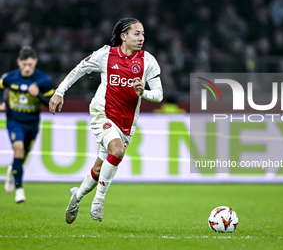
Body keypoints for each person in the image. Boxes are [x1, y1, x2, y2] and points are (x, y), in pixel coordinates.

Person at [49, 18, 163, 224]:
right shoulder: (106, 55)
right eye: (136, 34)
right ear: (123, 36)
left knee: (100, 169)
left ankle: (76, 198)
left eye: (143, 34)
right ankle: (98, 202)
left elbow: (159, 95)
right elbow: (79, 69)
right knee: (118, 151)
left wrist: (143, 92)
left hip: (127, 122)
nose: (141, 38)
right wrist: (59, 92)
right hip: (102, 113)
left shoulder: (148, 61)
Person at [0, 46, 54, 203]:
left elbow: (53, 104)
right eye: (24, 64)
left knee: (22, 156)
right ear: (19, 63)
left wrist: (38, 95)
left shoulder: (44, 80)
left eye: (30, 64)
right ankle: (19, 190)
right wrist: (2, 103)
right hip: (14, 121)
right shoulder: (10, 77)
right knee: (18, 148)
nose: (27, 68)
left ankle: (13, 171)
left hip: (32, 123)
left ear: (35, 62)